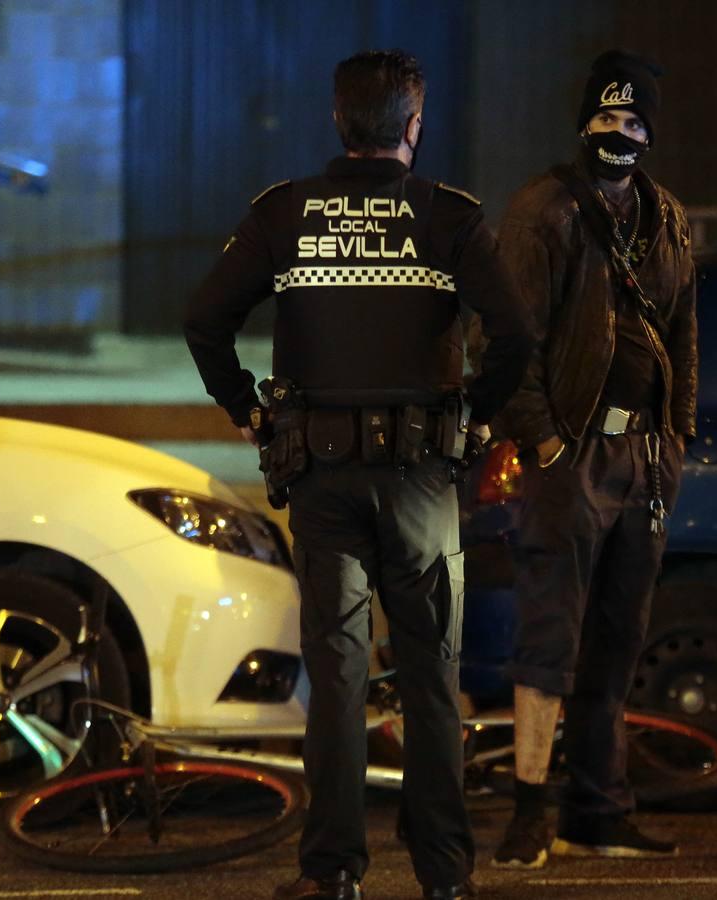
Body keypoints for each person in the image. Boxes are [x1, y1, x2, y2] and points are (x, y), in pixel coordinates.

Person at [184, 49, 530, 900]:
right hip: (420, 479)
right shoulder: (450, 218)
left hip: (322, 479)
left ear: (338, 122)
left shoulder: (284, 213)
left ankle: (332, 873)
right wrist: (476, 415)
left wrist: (247, 409)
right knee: (430, 679)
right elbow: (515, 333)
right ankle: (444, 877)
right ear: (414, 127)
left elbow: (204, 320)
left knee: (337, 677)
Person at [476, 49, 698, 868]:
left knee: (617, 640)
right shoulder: (545, 210)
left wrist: (672, 439)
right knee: (548, 641)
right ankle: (530, 812)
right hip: (570, 460)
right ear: (582, 123)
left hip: (640, 460)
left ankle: (597, 812)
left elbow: (683, 333)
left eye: (633, 120)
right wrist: (544, 442)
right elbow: (505, 341)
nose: (619, 132)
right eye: (606, 118)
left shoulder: (666, 216)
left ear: (650, 131)